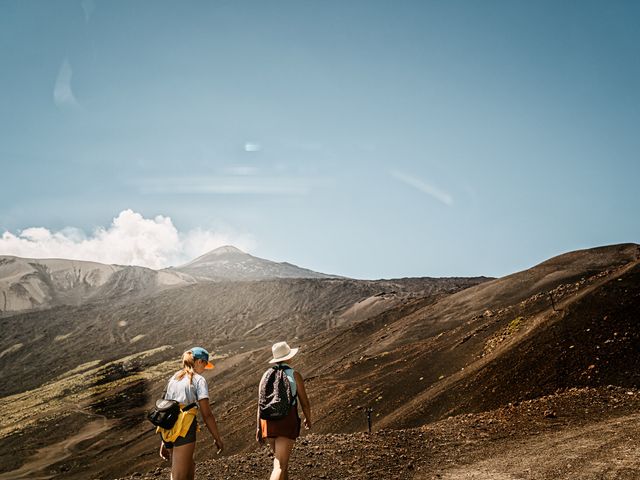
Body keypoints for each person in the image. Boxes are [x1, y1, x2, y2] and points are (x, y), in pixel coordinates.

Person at [157, 347, 224, 480]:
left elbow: (164, 409)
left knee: (188, 469)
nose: (205, 368)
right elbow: (207, 414)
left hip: (168, 429)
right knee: (179, 476)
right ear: (199, 362)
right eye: (205, 364)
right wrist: (217, 438)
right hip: (184, 428)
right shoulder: (198, 380)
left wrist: (164, 442)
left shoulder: (174, 378)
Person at [256, 341, 312, 480]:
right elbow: (304, 402)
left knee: (283, 463)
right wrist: (308, 418)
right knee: (280, 465)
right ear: (288, 357)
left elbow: (260, 404)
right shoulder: (294, 375)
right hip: (286, 421)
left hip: (267, 422)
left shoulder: (265, 376)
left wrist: (258, 427)